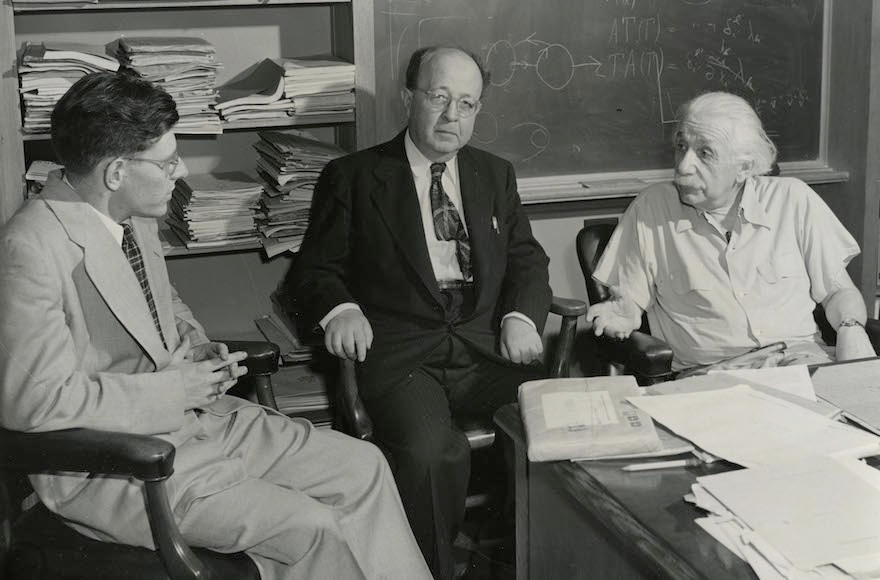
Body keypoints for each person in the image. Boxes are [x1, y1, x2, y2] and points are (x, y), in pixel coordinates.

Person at [0, 70, 431, 580]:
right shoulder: (30, 247)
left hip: (198, 423)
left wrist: (200, 350)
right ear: (116, 171)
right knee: (307, 525)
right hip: (116, 465)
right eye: (166, 163)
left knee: (364, 467)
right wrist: (172, 390)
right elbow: (35, 403)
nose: (179, 172)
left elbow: (164, 307)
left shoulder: (130, 212)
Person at [286, 46, 552, 579]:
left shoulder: (494, 174)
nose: (453, 116)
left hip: (484, 346)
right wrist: (340, 308)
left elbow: (527, 258)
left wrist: (520, 316)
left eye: (468, 104)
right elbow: (313, 272)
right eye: (440, 98)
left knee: (557, 424)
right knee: (432, 457)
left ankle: (523, 563)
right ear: (410, 98)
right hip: (405, 354)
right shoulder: (356, 177)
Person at [586, 91, 876, 372]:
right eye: (681, 146)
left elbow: (839, 291)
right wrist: (624, 313)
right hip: (713, 378)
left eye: (705, 153)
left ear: (743, 168)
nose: (684, 165)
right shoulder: (651, 210)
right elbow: (628, 303)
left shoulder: (793, 200)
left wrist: (851, 328)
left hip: (802, 363)